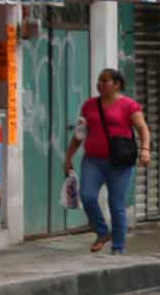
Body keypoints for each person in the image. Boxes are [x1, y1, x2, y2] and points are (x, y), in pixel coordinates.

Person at [61, 67, 151, 255]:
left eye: (105, 81)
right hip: (93, 161)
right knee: (87, 196)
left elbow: (143, 129)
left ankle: (118, 247)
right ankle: (102, 232)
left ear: (117, 84)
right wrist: (68, 157)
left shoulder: (129, 105)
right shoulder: (89, 105)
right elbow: (79, 134)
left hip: (120, 163)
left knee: (116, 204)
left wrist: (145, 150)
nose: (99, 84)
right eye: (99, 80)